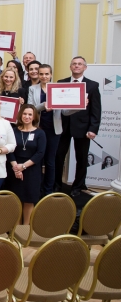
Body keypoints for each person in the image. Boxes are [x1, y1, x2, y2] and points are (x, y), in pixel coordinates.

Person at [55, 56, 101, 197]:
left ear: (84, 67)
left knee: (81, 158)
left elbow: (96, 110)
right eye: (74, 64)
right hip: (62, 126)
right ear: (70, 67)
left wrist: (93, 129)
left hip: (83, 128)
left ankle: (78, 186)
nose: (76, 66)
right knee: (58, 156)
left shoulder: (92, 85)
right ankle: (56, 185)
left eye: (80, 64)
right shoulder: (61, 83)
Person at [4, 105, 47, 224]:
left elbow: (40, 153)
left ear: (34, 117)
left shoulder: (40, 133)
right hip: (14, 168)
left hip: (31, 170)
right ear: (20, 115)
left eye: (30, 114)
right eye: (24, 114)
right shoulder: (13, 131)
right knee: (15, 199)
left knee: (29, 199)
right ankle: (16, 229)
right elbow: (9, 149)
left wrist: (23, 167)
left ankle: (25, 228)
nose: (27, 117)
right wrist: (16, 168)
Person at [27, 64, 63, 196]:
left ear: (51, 74)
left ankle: (48, 191)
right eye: (41, 74)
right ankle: (36, 189)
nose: (44, 76)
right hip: (37, 129)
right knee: (36, 160)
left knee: (50, 161)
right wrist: (43, 105)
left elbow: (65, 111)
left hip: (54, 129)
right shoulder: (32, 89)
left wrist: (78, 106)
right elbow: (30, 108)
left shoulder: (58, 89)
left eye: (46, 74)